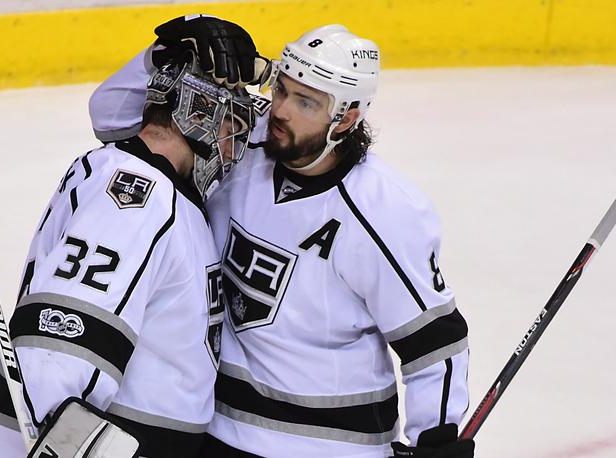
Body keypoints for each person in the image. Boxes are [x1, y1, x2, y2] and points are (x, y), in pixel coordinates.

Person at [90, 16, 474, 458]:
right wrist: (161, 58)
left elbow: (433, 342)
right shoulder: (240, 144)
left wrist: (436, 439)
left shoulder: (386, 209)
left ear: (345, 117)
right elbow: (111, 118)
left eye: (306, 102)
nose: (282, 110)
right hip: (215, 432)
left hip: (330, 449)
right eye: (282, 90)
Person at [0, 37, 259, 457]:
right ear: (195, 113)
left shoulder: (146, 185)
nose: (232, 145)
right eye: (228, 126)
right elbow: (60, 348)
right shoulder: (137, 196)